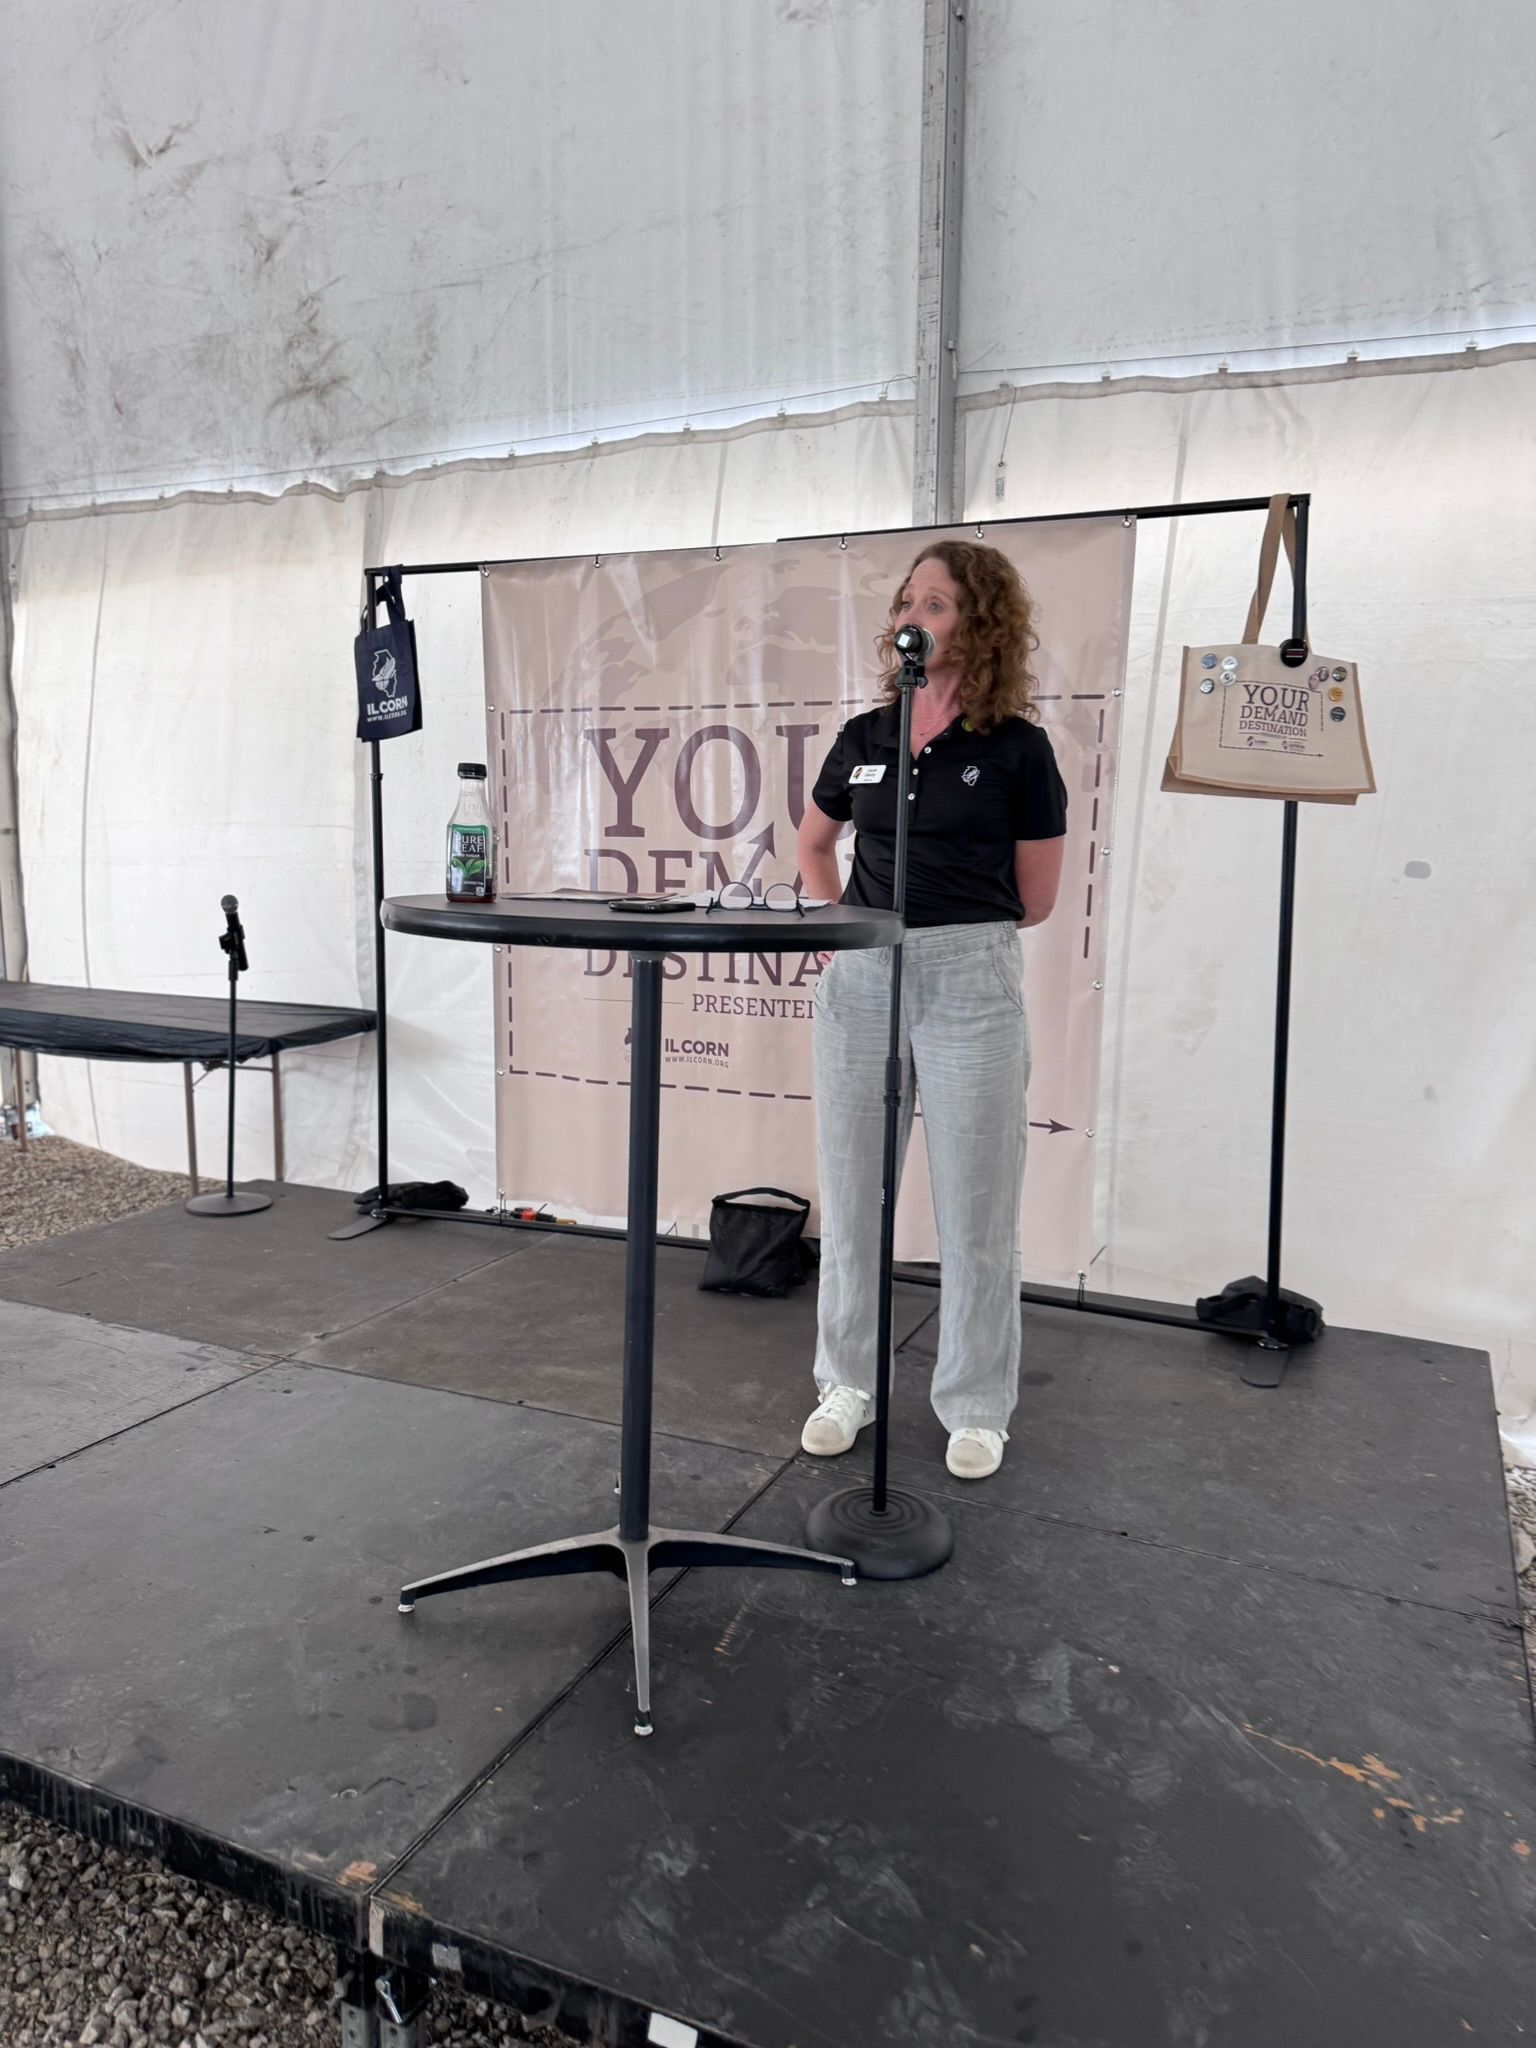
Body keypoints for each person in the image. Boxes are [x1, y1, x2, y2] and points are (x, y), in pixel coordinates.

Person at [796, 540, 1067, 1480]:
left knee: (976, 1206)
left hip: (969, 980)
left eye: (939, 603)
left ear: (980, 624)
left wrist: (952, 931)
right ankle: (847, 1382)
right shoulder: (867, 735)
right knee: (854, 1193)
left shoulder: (1019, 748)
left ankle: (977, 1403)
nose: (916, 615)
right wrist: (846, 927)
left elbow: (1037, 898)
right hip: (865, 975)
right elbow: (815, 839)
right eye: (910, 600)